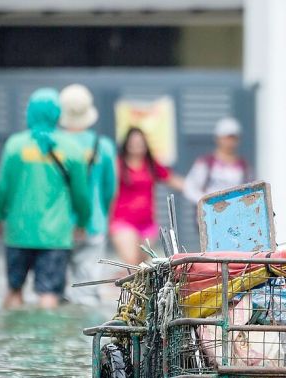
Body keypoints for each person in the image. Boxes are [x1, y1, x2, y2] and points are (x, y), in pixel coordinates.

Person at [0, 88, 91, 309]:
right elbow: (81, 195)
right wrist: (82, 222)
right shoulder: (72, 148)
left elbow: (2, 188)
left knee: (14, 290)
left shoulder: (14, 145)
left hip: (18, 232)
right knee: (48, 293)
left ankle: (12, 339)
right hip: (55, 235)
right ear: (57, 114)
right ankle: (46, 340)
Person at [57, 84, 117, 305]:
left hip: (57, 227)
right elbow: (110, 189)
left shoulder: (53, 145)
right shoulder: (103, 146)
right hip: (94, 223)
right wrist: (101, 214)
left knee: (53, 294)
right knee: (88, 292)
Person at [109, 127, 184, 267]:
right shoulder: (118, 164)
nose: (136, 145)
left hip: (147, 224)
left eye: (140, 142)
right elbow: (106, 188)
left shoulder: (150, 164)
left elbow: (173, 180)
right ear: (127, 144)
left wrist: (198, 192)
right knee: (131, 261)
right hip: (123, 221)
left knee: (141, 266)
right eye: (133, 142)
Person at [182, 116, 252, 204]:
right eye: (226, 138)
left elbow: (251, 192)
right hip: (209, 214)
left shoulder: (244, 166)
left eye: (233, 138)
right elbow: (190, 188)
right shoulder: (205, 163)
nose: (229, 142)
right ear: (218, 138)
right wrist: (207, 202)